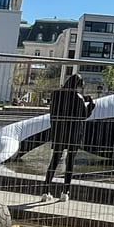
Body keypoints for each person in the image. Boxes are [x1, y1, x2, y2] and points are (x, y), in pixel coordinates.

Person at [42, 73, 96, 201]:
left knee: (54, 160)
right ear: (78, 85)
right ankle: (65, 192)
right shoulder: (78, 98)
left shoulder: (56, 95)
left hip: (59, 132)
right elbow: (84, 115)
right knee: (70, 162)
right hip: (74, 134)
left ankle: (45, 190)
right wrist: (91, 105)